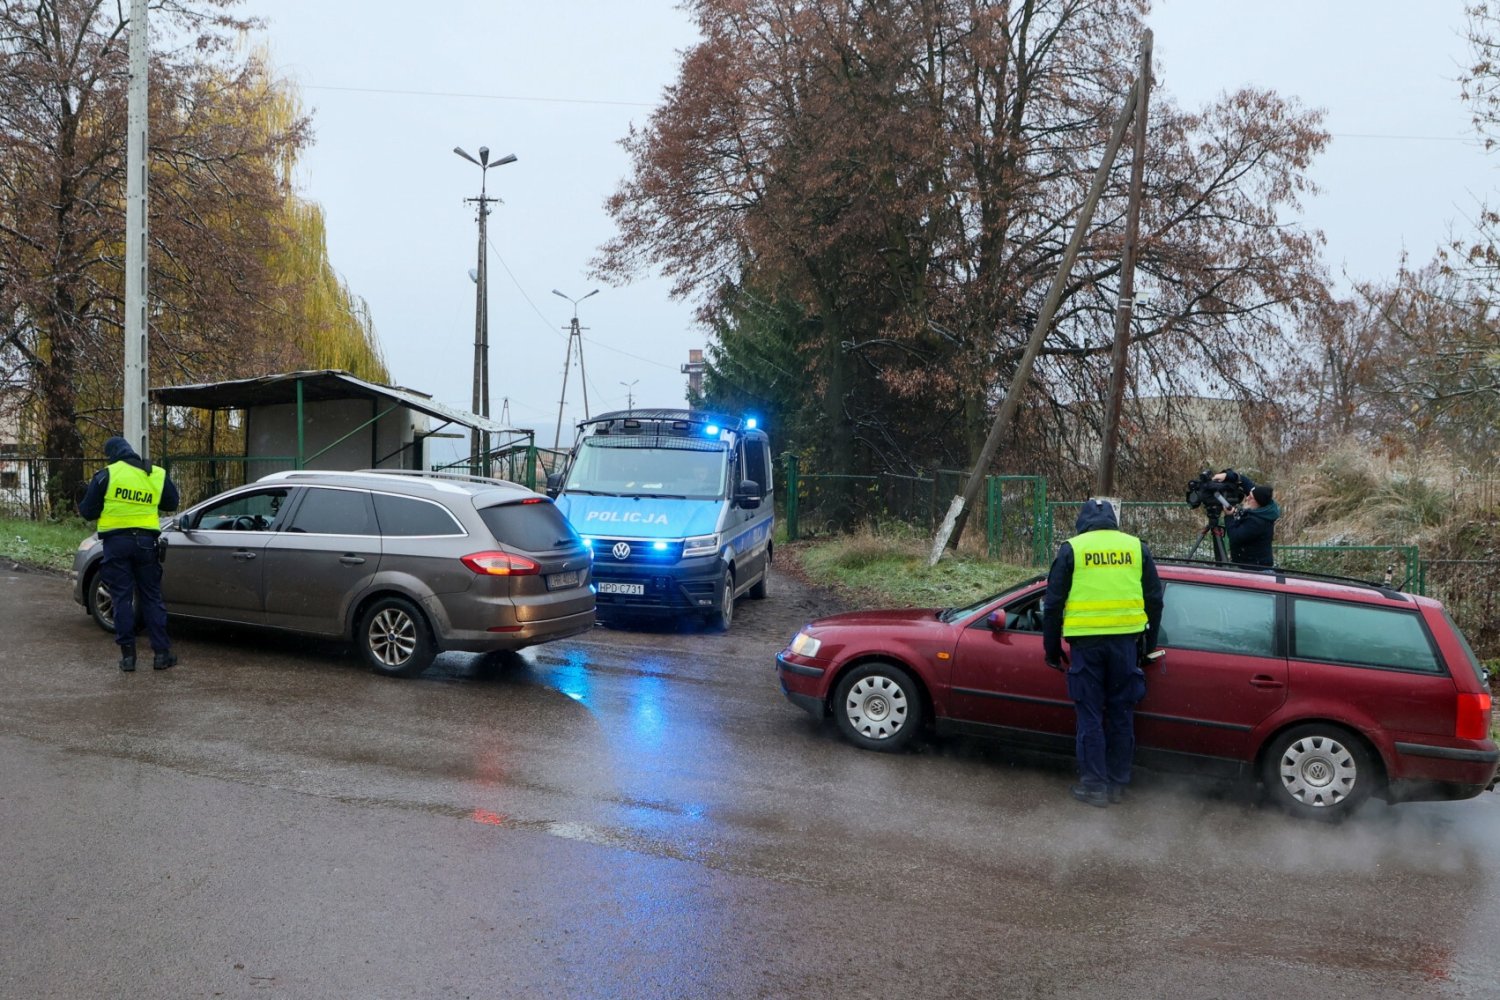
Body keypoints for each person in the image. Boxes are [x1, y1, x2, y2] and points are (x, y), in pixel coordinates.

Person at [1042, 498, 1163, 808]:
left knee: (1091, 716)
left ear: (1083, 522)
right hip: (1126, 646)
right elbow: (1154, 599)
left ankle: (1096, 786)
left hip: (1086, 647)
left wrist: (1052, 649)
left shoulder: (1073, 548)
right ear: (1113, 521)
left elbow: (1053, 604)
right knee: (1122, 715)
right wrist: (1148, 647)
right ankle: (1118, 785)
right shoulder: (1137, 548)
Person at [78, 436, 180, 672]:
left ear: (111, 453)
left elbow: (87, 511)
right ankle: (161, 655)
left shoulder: (106, 474)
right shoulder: (155, 473)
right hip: (146, 543)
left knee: (122, 597)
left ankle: (128, 658)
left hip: (116, 543)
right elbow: (172, 502)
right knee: (152, 597)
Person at [1212, 469, 1280, 568]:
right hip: (1248, 565)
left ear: (1258, 503)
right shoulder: (1264, 506)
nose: (1247, 498)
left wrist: (1229, 516)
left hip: (1255, 570)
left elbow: (1235, 537)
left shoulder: (1258, 522)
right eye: (1249, 495)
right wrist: (1227, 476)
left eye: (1251, 498)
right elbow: (1243, 481)